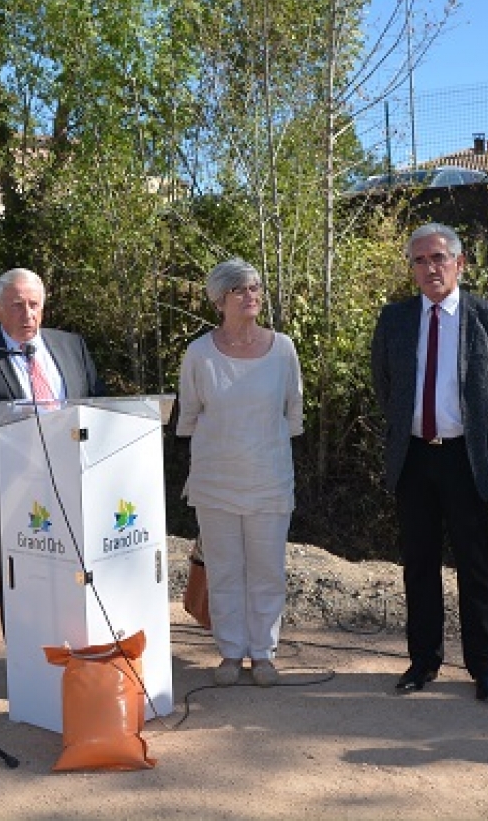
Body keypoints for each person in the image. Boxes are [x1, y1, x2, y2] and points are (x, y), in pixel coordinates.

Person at [370, 223, 488, 705]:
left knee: (474, 565)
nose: (430, 268)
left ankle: (485, 668)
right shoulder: (394, 319)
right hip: (414, 457)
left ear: (460, 263)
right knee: (418, 563)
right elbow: (386, 385)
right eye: (420, 260)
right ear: (412, 269)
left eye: (439, 258)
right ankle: (424, 661)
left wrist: (481, 435)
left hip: (465, 459)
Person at [0, 268, 106, 628]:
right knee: (23, 583)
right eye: (17, 306)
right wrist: (12, 417)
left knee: (71, 578)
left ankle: (73, 659)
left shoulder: (71, 346)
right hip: (9, 492)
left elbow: (97, 404)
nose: (28, 314)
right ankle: (29, 668)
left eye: (34, 305)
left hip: (74, 486)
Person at [176, 259, 304, 688]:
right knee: (226, 569)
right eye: (239, 291)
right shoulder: (199, 353)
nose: (251, 296)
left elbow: (292, 412)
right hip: (215, 480)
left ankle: (263, 653)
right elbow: (189, 415)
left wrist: (261, 448)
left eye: (254, 288)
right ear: (219, 300)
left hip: (269, 477)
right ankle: (230, 652)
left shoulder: (283, 348)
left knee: (268, 569)